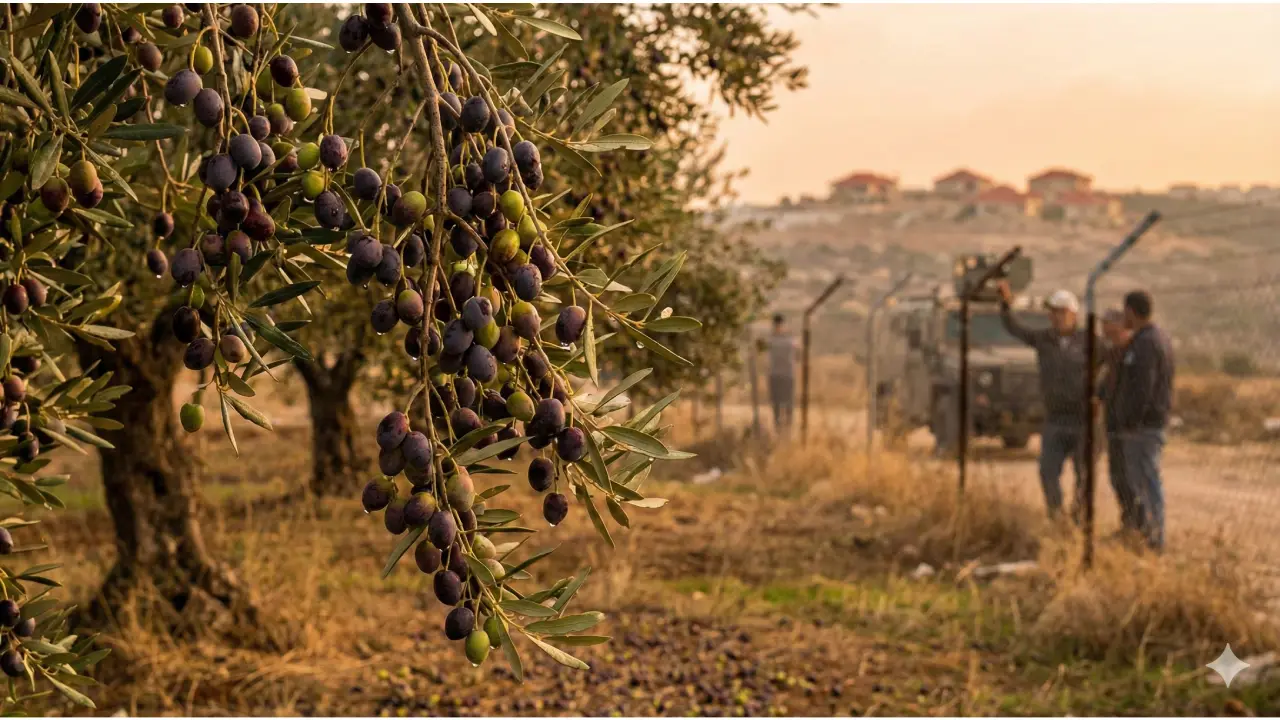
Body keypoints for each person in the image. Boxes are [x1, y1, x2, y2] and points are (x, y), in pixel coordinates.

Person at [997, 282, 1089, 520]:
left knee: (1085, 475)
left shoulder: (1089, 342)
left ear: (1073, 314)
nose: (1055, 317)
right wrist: (1006, 305)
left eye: (1060, 312)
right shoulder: (1044, 339)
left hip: (1083, 421)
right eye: (1052, 312)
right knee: (1048, 471)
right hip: (1055, 418)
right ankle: (1056, 516)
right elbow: (1015, 328)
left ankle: (1079, 518)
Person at [1112, 290, 1174, 551]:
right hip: (1145, 424)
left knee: (1147, 480)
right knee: (1141, 481)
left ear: (1130, 311)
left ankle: (1155, 539)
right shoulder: (1151, 338)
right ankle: (1149, 534)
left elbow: (1143, 388)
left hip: (1143, 427)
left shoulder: (1147, 343)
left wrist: (1131, 420)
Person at [1097, 307, 1140, 536]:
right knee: (1117, 477)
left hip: (1129, 426)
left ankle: (1139, 525)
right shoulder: (1114, 353)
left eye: (1110, 329)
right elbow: (1109, 385)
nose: (1106, 334)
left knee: (1130, 477)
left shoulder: (1135, 353)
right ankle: (1128, 522)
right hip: (1113, 423)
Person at [766, 314, 798, 432]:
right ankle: (778, 429)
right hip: (777, 375)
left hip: (786, 375)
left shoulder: (786, 340)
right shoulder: (778, 340)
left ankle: (788, 428)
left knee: (788, 404)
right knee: (777, 405)